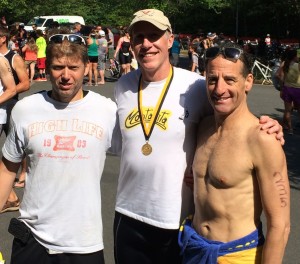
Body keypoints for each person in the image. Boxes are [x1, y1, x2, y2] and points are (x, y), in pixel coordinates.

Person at [112, 9, 284, 264]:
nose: (146, 44)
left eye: (154, 35)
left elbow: (232, 108)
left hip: (179, 223)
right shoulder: (122, 86)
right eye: (139, 37)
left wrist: (269, 125)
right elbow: (221, 117)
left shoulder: (193, 86)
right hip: (130, 216)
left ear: (170, 40)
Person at [0, 33, 117, 264]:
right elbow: (7, 169)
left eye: (73, 67)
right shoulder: (26, 109)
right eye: (57, 67)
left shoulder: (107, 110)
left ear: (86, 68)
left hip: (84, 241)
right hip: (32, 239)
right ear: (48, 68)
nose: (65, 76)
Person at [179, 42, 290, 263]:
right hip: (194, 248)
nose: (219, 89)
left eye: (230, 80)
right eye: (212, 80)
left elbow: (280, 226)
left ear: (248, 82)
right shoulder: (203, 128)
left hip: (238, 255)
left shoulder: (262, 139)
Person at [0, 25, 30, 213]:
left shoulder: (14, 58)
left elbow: (25, 83)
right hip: (3, 104)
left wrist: (8, 91)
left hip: (10, 105)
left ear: (2, 38)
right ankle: (8, 191)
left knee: (17, 144)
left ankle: (24, 172)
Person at [276, 49, 300, 135]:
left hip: (287, 88)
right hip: (298, 89)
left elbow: (278, 75)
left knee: (287, 110)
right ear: (294, 56)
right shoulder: (298, 65)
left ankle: (290, 129)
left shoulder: (285, 64)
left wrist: (283, 84)